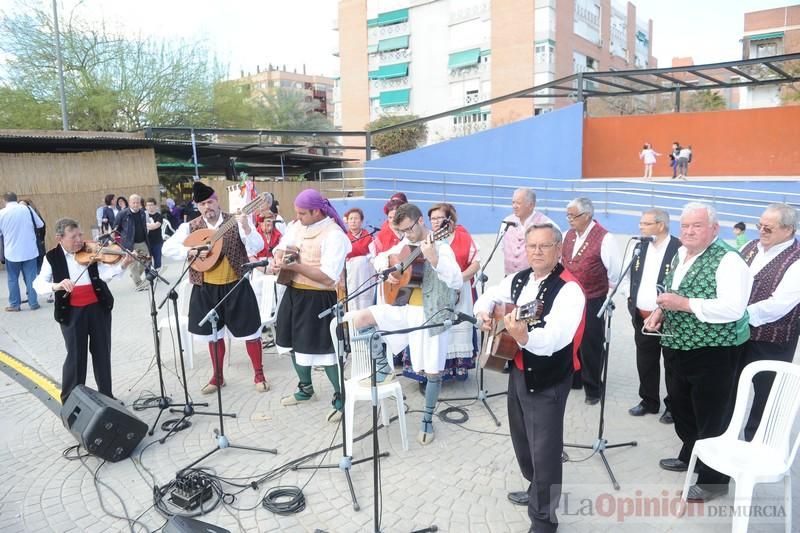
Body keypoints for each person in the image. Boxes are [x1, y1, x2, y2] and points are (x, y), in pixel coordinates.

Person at [474, 223, 585, 533]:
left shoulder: (569, 289)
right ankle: (535, 488)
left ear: (558, 250)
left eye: (544, 246)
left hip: (548, 377)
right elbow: (488, 297)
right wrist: (484, 313)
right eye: (532, 245)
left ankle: (544, 520)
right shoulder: (519, 278)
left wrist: (523, 337)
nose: (536, 251)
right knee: (523, 441)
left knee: (545, 450)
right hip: (518, 370)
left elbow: (555, 339)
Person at [644, 202, 752, 503]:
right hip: (677, 345)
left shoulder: (729, 261)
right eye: (685, 226)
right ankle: (691, 453)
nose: (689, 231)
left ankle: (713, 480)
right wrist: (660, 313)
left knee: (713, 416)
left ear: (714, 229)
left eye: (697, 226)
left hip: (714, 350)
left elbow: (733, 308)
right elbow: (672, 294)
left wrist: (684, 304)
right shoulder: (680, 253)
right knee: (681, 407)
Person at [349, 203, 462, 444]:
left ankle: (427, 420)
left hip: (432, 314)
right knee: (361, 319)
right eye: (402, 231)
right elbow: (380, 258)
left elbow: (456, 280)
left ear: (421, 221)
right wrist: (388, 269)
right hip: (406, 308)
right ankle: (382, 368)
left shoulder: (441, 246)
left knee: (433, 371)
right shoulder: (405, 244)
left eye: (409, 229)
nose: (406, 235)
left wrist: (435, 260)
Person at [162, 181, 269, 394]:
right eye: (201, 204)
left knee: (250, 332)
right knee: (213, 334)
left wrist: (246, 226)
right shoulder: (190, 227)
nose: (206, 207)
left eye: (209, 202)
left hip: (236, 285)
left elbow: (257, 246)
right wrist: (191, 251)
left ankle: (259, 374)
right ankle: (217, 376)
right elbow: (167, 248)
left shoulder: (235, 221)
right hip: (206, 288)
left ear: (217, 201)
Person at [32, 218, 133, 402]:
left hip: (98, 307)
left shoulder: (91, 251)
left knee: (102, 351)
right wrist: (56, 285)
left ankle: (107, 395)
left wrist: (122, 266)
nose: (79, 240)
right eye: (73, 237)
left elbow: (104, 275)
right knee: (76, 356)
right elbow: (38, 284)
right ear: (59, 238)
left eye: (80, 235)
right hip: (71, 312)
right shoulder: (52, 257)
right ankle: (72, 399)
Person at [273, 189, 352, 422]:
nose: (297, 217)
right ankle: (306, 389)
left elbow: (329, 277)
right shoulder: (297, 226)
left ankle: (341, 398)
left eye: (302, 213)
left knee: (326, 352)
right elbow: (282, 245)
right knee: (290, 343)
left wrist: (296, 267)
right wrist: (278, 258)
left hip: (318, 298)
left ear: (317, 211)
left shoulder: (334, 235)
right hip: (294, 293)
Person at [738, 203, 800, 441]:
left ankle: (757, 446)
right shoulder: (749, 247)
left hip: (773, 340)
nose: (761, 231)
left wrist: (736, 314)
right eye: (759, 226)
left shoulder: (796, 260)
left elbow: (778, 305)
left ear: (788, 230)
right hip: (739, 335)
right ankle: (723, 440)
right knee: (731, 389)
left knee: (765, 396)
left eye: (768, 228)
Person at [561, 197, 621, 404]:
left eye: (573, 215)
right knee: (571, 340)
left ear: (586, 216)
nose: (569, 219)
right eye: (567, 215)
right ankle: (575, 379)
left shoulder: (605, 238)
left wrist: (605, 293)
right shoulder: (568, 235)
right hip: (570, 299)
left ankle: (593, 388)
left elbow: (615, 272)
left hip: (593, 298)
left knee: (591, 344)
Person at [623, 208, 680, 422]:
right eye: (641, 223)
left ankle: (673, 407)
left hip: (669, 318)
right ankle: (649, 400)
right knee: (645, 360)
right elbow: (627, 277)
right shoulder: (640, 247)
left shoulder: (679, 248)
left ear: (661, 225)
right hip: (641, 315)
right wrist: (630, 298)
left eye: (646, 224)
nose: (641, 227)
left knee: (672, 364)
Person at [0, 192, 44, 311]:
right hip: (30, 250)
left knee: (12, 278)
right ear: (16, 199)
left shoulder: (2, 213)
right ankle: (33, 303)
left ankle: (15, 305)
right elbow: (40, 224)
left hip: (11, 252)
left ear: (5, 201)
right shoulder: (27, 209)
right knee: (31, 277)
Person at [503, 188, 557, 276]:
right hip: (509, 278)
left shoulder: (547, 225)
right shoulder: (506, 222)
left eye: (518, 203)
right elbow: (503, 248)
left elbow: (555, 256)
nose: (514, 206)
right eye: (513, 202)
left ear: (531, 205)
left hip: (535, 279)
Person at [114, 194, 151, 291]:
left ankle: (135, 275)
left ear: (140, 203)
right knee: (133, 263)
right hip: (129, 243)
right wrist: (120, 241)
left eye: (137, 202)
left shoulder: (142, 213)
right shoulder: (122, 214)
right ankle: (139, 284)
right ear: (129, 203)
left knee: (147, 260)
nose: (135, 204)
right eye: (133, 202)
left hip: (142, 241)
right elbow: (116, 228)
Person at [343, 207, 376, 311]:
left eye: (356, 218)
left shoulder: (370, 237)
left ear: (361, 221)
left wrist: (357, 257)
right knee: (352, 301)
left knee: (366, 300)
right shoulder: (343, 238)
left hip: (366, 276)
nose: (353, 221)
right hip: (351, 276)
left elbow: (373, 255)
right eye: (351, 218)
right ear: (347, 221)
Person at [144, 198, 164, 272]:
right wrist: (150, 225)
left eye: (152, 205)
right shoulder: (143, 216)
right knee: (147, 260)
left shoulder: (159, 216)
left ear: (155, 206)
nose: (150, 207)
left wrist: (146, 225)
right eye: (148, 205)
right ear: (145, 207)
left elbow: (155, 226)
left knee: (157, 260)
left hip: (157, 241)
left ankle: (157, 274)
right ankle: (148, 276)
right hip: (146, 242)